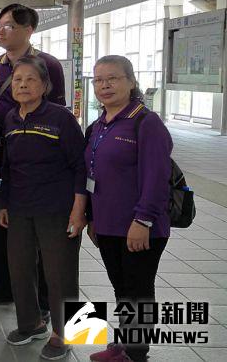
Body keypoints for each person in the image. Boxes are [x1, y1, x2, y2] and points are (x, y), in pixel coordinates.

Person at [0, 3, 65, 311]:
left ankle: (42, 295)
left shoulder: (49, 65)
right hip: (0, 158)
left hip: (38, 161)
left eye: (10, 25)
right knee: (1, 222)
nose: (2, 30)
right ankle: (1, 285)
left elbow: (59, 113)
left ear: (29, 30)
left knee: (39, 227)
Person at [0, 56, 86, 360]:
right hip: (20, 208)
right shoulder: (10, 118)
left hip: (57, 208)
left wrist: (79, 210)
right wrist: (4, 203)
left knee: (61, 273)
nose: (23, 85)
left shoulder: (61, 118)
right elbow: (7, 167)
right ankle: (31, 324)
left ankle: (70, 335)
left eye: (30, 79)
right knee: (20, 268)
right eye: (18, 80)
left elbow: (80, 166)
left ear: (45, 85)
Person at [86, 56, 172, 362]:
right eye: (98, 80)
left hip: (139, 227)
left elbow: (157, 176)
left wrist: (144, 220)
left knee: (137, 293)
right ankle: (124, 345)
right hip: (107, 225)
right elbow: (92, 175)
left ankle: (136, 354)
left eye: (113, 78)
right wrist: (92, 219)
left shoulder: (146, 123)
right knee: (122, 290)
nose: (104, 86)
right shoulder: (99, 125)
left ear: (131, 82)